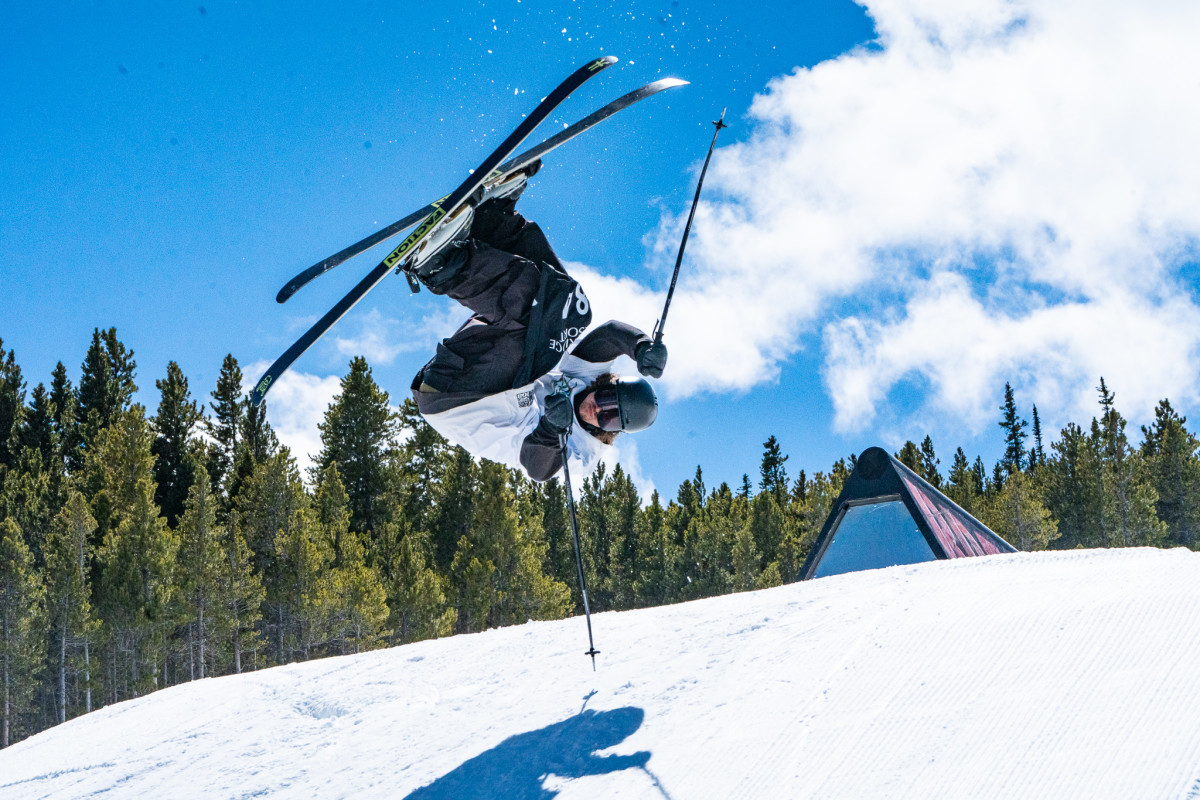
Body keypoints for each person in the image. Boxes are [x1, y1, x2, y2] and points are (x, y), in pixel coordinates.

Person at [407, 165, 668, 482]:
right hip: (473, 368)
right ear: (606, 385)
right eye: (606, 402)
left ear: (613, 433)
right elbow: (609, 336)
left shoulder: (585, 452)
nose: (597, 412)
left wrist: (551, 430)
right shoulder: (586, 384)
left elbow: (539, 468)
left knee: (541, 341)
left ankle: (443, 267)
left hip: (459, 398)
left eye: (610, 421)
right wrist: (640, 345)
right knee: (572, 309)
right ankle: (493, 221)